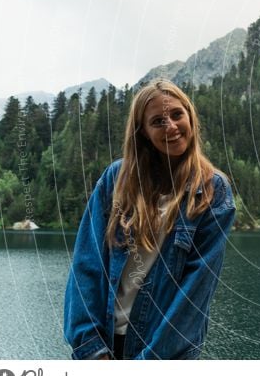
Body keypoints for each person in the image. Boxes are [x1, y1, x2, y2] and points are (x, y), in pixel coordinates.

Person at [64, 79, 236, 359]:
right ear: (142, 132)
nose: (171, 126)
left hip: (163, 354)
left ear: (190, 116)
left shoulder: (213, 191)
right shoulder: (116, 180)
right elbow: (87, 264)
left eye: (177, 115)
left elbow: (195, 293)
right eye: (157, 121)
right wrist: (92, 349)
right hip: (104, 344)